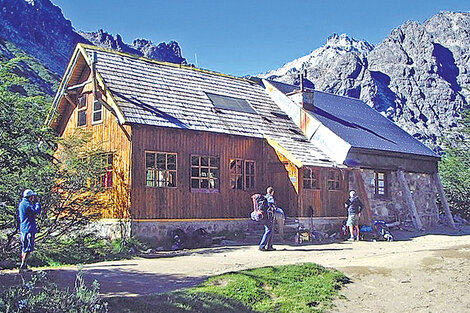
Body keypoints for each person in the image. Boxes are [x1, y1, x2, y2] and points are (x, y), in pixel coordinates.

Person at [18, 189, 41, 272]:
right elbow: (36, 211)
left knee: (24, 247)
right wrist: (38, 203)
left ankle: (23, 265)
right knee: (28, 248)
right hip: (28, 228)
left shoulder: (22, 203)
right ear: (30, 196)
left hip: (24, 228)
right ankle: (23, 265)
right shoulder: (27, 204)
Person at [259, 186, 277, 251]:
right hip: (269, 217)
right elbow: (271, 205)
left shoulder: (264, 197)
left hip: (264, 217)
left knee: (270, 230)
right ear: (272, 192)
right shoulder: (270, 198)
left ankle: (269, 246)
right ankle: (262, 246)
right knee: (269, 230)